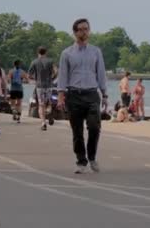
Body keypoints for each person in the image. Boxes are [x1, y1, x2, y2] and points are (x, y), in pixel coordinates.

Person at [57, 18, 108, 174]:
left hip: (92, 94)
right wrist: (61, 95)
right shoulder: (67, 53)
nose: (84, 32)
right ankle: (81, 160)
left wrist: (105, 94)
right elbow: (63, 75)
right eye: (81, 29)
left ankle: (91, 157)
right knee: (77, 131)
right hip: (74, 95)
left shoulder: (96, 51)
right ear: (75, 32)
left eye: (86, 29)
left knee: (94, 127)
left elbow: (101, 73)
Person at [29, 46, 55, 131]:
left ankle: (43, 122)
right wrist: (52, 78)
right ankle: (49, 111)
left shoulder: (34, 62)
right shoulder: (50, 61)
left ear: (38, 52)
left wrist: (35, 79)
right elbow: (56, 71)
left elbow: (29, 74)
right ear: (46, 52)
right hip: (49, 85)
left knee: (41, 104)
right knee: (49, 102)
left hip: (39, 86)